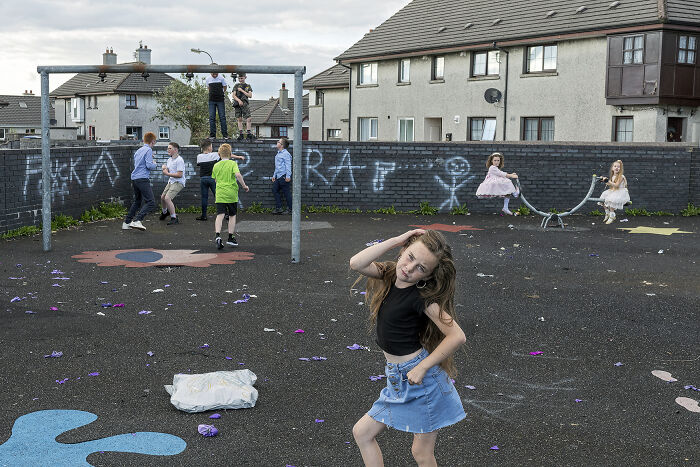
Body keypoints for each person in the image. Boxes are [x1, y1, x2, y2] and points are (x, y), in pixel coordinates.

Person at [349, 229, 466, 467]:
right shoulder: (390, 274)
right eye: (410, 257)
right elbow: (356, 263)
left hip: (421, 381)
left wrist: (423, 367)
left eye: (421, 268)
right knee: (362, 433)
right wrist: (395, 240)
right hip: (397, 377)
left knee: (421, 453)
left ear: (427, 276)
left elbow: (457, 336)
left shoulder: (421, 298)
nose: (410, 268)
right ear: (403, 250)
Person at [196, 139, 244, 221]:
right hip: (212, 178)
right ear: (208, 148)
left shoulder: (199, 156)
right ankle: (226, 214)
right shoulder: (215, 155)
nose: (212, 148)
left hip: (203, 179)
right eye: (211, 146)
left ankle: (204, 215)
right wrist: (238, 157)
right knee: (219, 197)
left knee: (204, 197)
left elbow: (199, 165)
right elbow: (227, 155)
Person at [212, 143, 249, 249]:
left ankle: (218, 236)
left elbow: (215, 179)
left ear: (219, 154)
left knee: (220, 215)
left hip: (220, 193)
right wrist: (244, 186)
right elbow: (237, 175)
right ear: (230, 154)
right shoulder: (232, 163)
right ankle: (230, 237)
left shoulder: (216, 165)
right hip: (231, 193)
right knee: (232, 215)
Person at [122, 132, 158, 231]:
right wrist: (155, 163)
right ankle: (137, 220)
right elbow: (149, 166)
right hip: (143, 178)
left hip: (135, 178)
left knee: (137, 201)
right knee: (151, 202)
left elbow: (139, 163)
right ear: (153, 141)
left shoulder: (139, 150)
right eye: (155, 141)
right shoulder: (149, 150)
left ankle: (127, 223)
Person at [475, 152, 520, 216]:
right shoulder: (492, 167)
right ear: (491, 161)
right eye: (495, 160)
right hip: (493, 182)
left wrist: (511, 174)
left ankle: (505, 207)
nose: (496, 162)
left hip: (497, 180)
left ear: (500, 161)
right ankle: (515, 194)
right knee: (508, 182)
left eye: (498, 160)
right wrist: (511, 176)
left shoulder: (496, 168)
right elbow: (501, 174)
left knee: (507, 191)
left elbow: (501, 173)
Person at [158, 142, 186, 225]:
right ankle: (165, 212)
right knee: (162, 197)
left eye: (170, 148)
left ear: (175, 150)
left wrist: (167, 173)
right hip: (171, 181)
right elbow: (169, 170)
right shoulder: (169, 160)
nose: (168, 150)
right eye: (168, 148)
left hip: (178, 182)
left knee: (167, 198)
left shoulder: (179, 160)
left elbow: (179, 175)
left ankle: (174, 217)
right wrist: (164, 167)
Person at [598, 159, 630, 224]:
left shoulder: (621, 176)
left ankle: (612, 215)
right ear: (612, 168)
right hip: (614, 190)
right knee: (603, 196)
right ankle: (607, 213)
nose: (616, 168)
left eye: (618, 167)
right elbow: (611, 185)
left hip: (620, 191)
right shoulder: (613, 176)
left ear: (620, 169)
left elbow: (616, 185)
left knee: (612, 198)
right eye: (615, 166)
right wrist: (604, 181)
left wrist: (608, 181)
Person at [271, 137, 292, 214]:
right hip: (278, 176)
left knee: (287, 193)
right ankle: (279, 208)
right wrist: (274, 175)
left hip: (283, 176)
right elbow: (277, 166)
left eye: (278, 142)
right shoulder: (278, 153)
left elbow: (288, 166)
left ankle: (290, 209)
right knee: (274, 190)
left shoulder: (286, 154)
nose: (277, 142)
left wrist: (288, 176)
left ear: (282, 145)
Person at [206, 70, 229, 138]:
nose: (215, 75)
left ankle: (225, 135)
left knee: (222, 117)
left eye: (216, 74)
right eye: (213, 74)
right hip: (211, 100)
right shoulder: (208, 79)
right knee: (211, 117)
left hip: (220, 100)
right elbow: (208, 88)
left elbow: (225, 87)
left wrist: (221, 92)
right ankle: (212, 135)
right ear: (210, 73)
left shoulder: (221, 78)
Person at [232, 73, 254, 141]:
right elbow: (233, 95)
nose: (240, 80)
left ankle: (248, 133)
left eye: (242, 78)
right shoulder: (236, 85)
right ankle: (241, 134)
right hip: (238, 103)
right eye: (239, 78)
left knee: (248, 118)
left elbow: (250, 95)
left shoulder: (248, 86)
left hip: (245, 103)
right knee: (239, 119)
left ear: (245, 77)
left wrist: (242, 90)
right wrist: (239, 101)